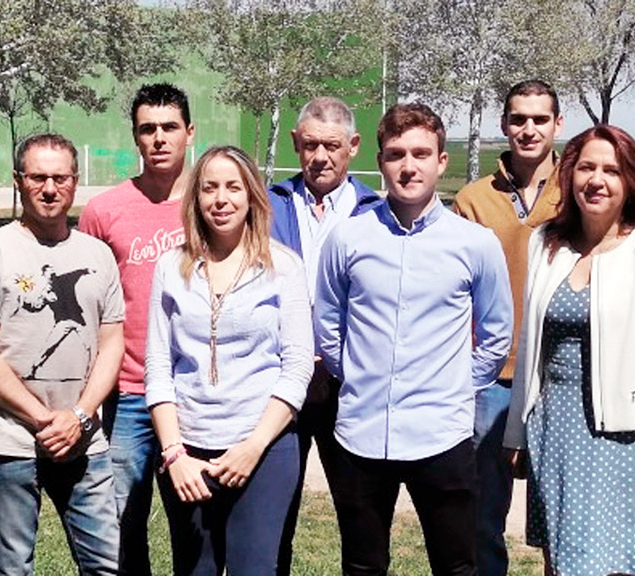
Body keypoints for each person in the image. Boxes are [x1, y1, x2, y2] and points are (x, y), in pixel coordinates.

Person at [315, 102, 513, 576]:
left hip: (441, 436)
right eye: (396, 154)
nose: (408, 166)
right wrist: (362, 376)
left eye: (421, 153)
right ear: (380, 162)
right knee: (363, 566)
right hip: (362, 436)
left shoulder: (475, 244)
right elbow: (329, 324)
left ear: (441, 160)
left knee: (457, 566)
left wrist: (453, 386)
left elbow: (496, 332)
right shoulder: (347, 239)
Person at [504, 124, 635, 576]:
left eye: (611, 170)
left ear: (630, 179)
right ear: (569, 175)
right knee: (564, 560)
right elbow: (531, 345)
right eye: (586, 167)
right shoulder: (546, 243)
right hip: (557, 433)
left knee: (628, 564)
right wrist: (516, 433)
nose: (597, 180)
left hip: (630, 439)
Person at [145, 146, 313, 575]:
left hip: (263, 450)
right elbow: (159, 368)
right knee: (194, 568)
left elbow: (297, 368)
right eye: (209, 188)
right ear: (196, 198)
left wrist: (252, 447)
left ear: (252, 195)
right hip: (188, 454)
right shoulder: (171, 267)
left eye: (233, 187)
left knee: (254, 568)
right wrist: (174, 454)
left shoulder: (284, 268)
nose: (221, 199)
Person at [78, 83, 193, 575]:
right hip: (127, 396)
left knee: (195, 525)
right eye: (148, 129)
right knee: (123, 524)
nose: (159, 138)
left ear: (190, 133)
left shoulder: (214, 204)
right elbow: (86, 308)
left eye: (170, 127)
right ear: (135, 137)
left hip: (196, 394)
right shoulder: (104, 212)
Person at [452, 79, 563, 576]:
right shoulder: (474, 200)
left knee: (563, 518)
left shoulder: (579, 187)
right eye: (519, 118)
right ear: (504, 125)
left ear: (557, 125)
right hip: (491, 379)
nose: (529, 129)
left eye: (540, 119)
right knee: (481, 516)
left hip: (560, 377)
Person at [0, 133, 125, 575]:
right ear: (18, 181)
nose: (50, 189)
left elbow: (112, 341)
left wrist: (79, 416)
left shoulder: (98, 255)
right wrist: (40, 417)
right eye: (38, 178)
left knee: (106, 565)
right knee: (11, 567)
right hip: (10, 441)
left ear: (74, 181)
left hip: (85, 441)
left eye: (59, 178)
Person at [267, 96, 381, 576]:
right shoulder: (267, 206)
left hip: (350, 387)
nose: (320, 157)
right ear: (295, 143)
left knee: (361, 519)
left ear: (352, 147)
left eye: (332, 145)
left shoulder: (376, 212)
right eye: (310, 144)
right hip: (278, 385)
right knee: (274, 518)